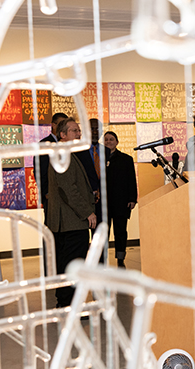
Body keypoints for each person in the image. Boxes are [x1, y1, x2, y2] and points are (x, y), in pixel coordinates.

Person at [47, 118, 97, 307]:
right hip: (71, 221)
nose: (79, 134)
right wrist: (87, 213)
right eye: (74, 131)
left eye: (78, 130)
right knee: (72, 264)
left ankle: (67, 302)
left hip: (69, 220)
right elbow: (69, 190)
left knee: (68, 263)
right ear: (63, 135)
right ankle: (69, 303)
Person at [102, 131, 137, 268]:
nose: (109, 142)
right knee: (103, 232)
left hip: (121, 202)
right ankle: (102, 259)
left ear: (117, 142)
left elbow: (131, 181)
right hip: (104, 203)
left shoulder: (126, 159)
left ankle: (120, 258)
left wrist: (132, 198)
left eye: (111, 139)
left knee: (120, 232)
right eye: (106, 140)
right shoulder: (99, 159)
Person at [35, 112, 69, 210]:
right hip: (51, 195)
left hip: (67, 195)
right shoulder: (44, 144)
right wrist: (46, 192)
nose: (63, 128)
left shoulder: (68, 143)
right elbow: (40, 170)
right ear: (53, 125)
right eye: (61, 124)